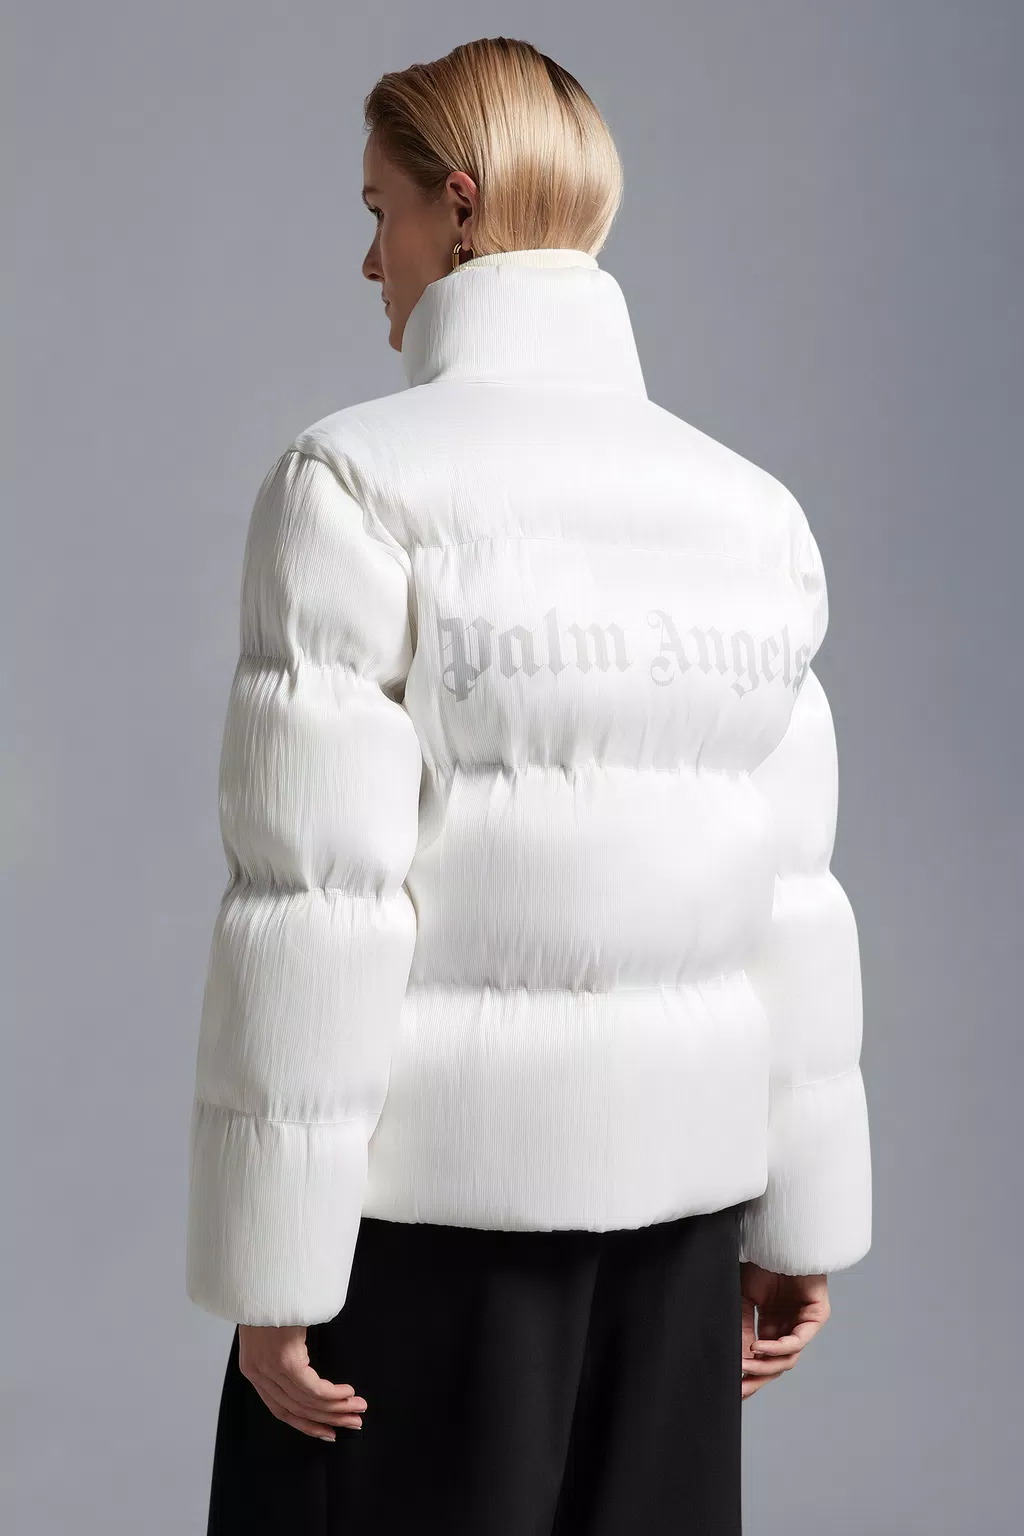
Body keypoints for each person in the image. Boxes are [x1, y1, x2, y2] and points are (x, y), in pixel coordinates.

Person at [186, 34, 872, 1536]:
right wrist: (802, 1219)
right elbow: (790, 894)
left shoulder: (353, 486)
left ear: (461, 203)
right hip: (684, 1239)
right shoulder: (748, 513)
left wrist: (273, 1272)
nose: (369, 260)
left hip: (426, 1242)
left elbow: (318, 903)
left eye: (379, 211)